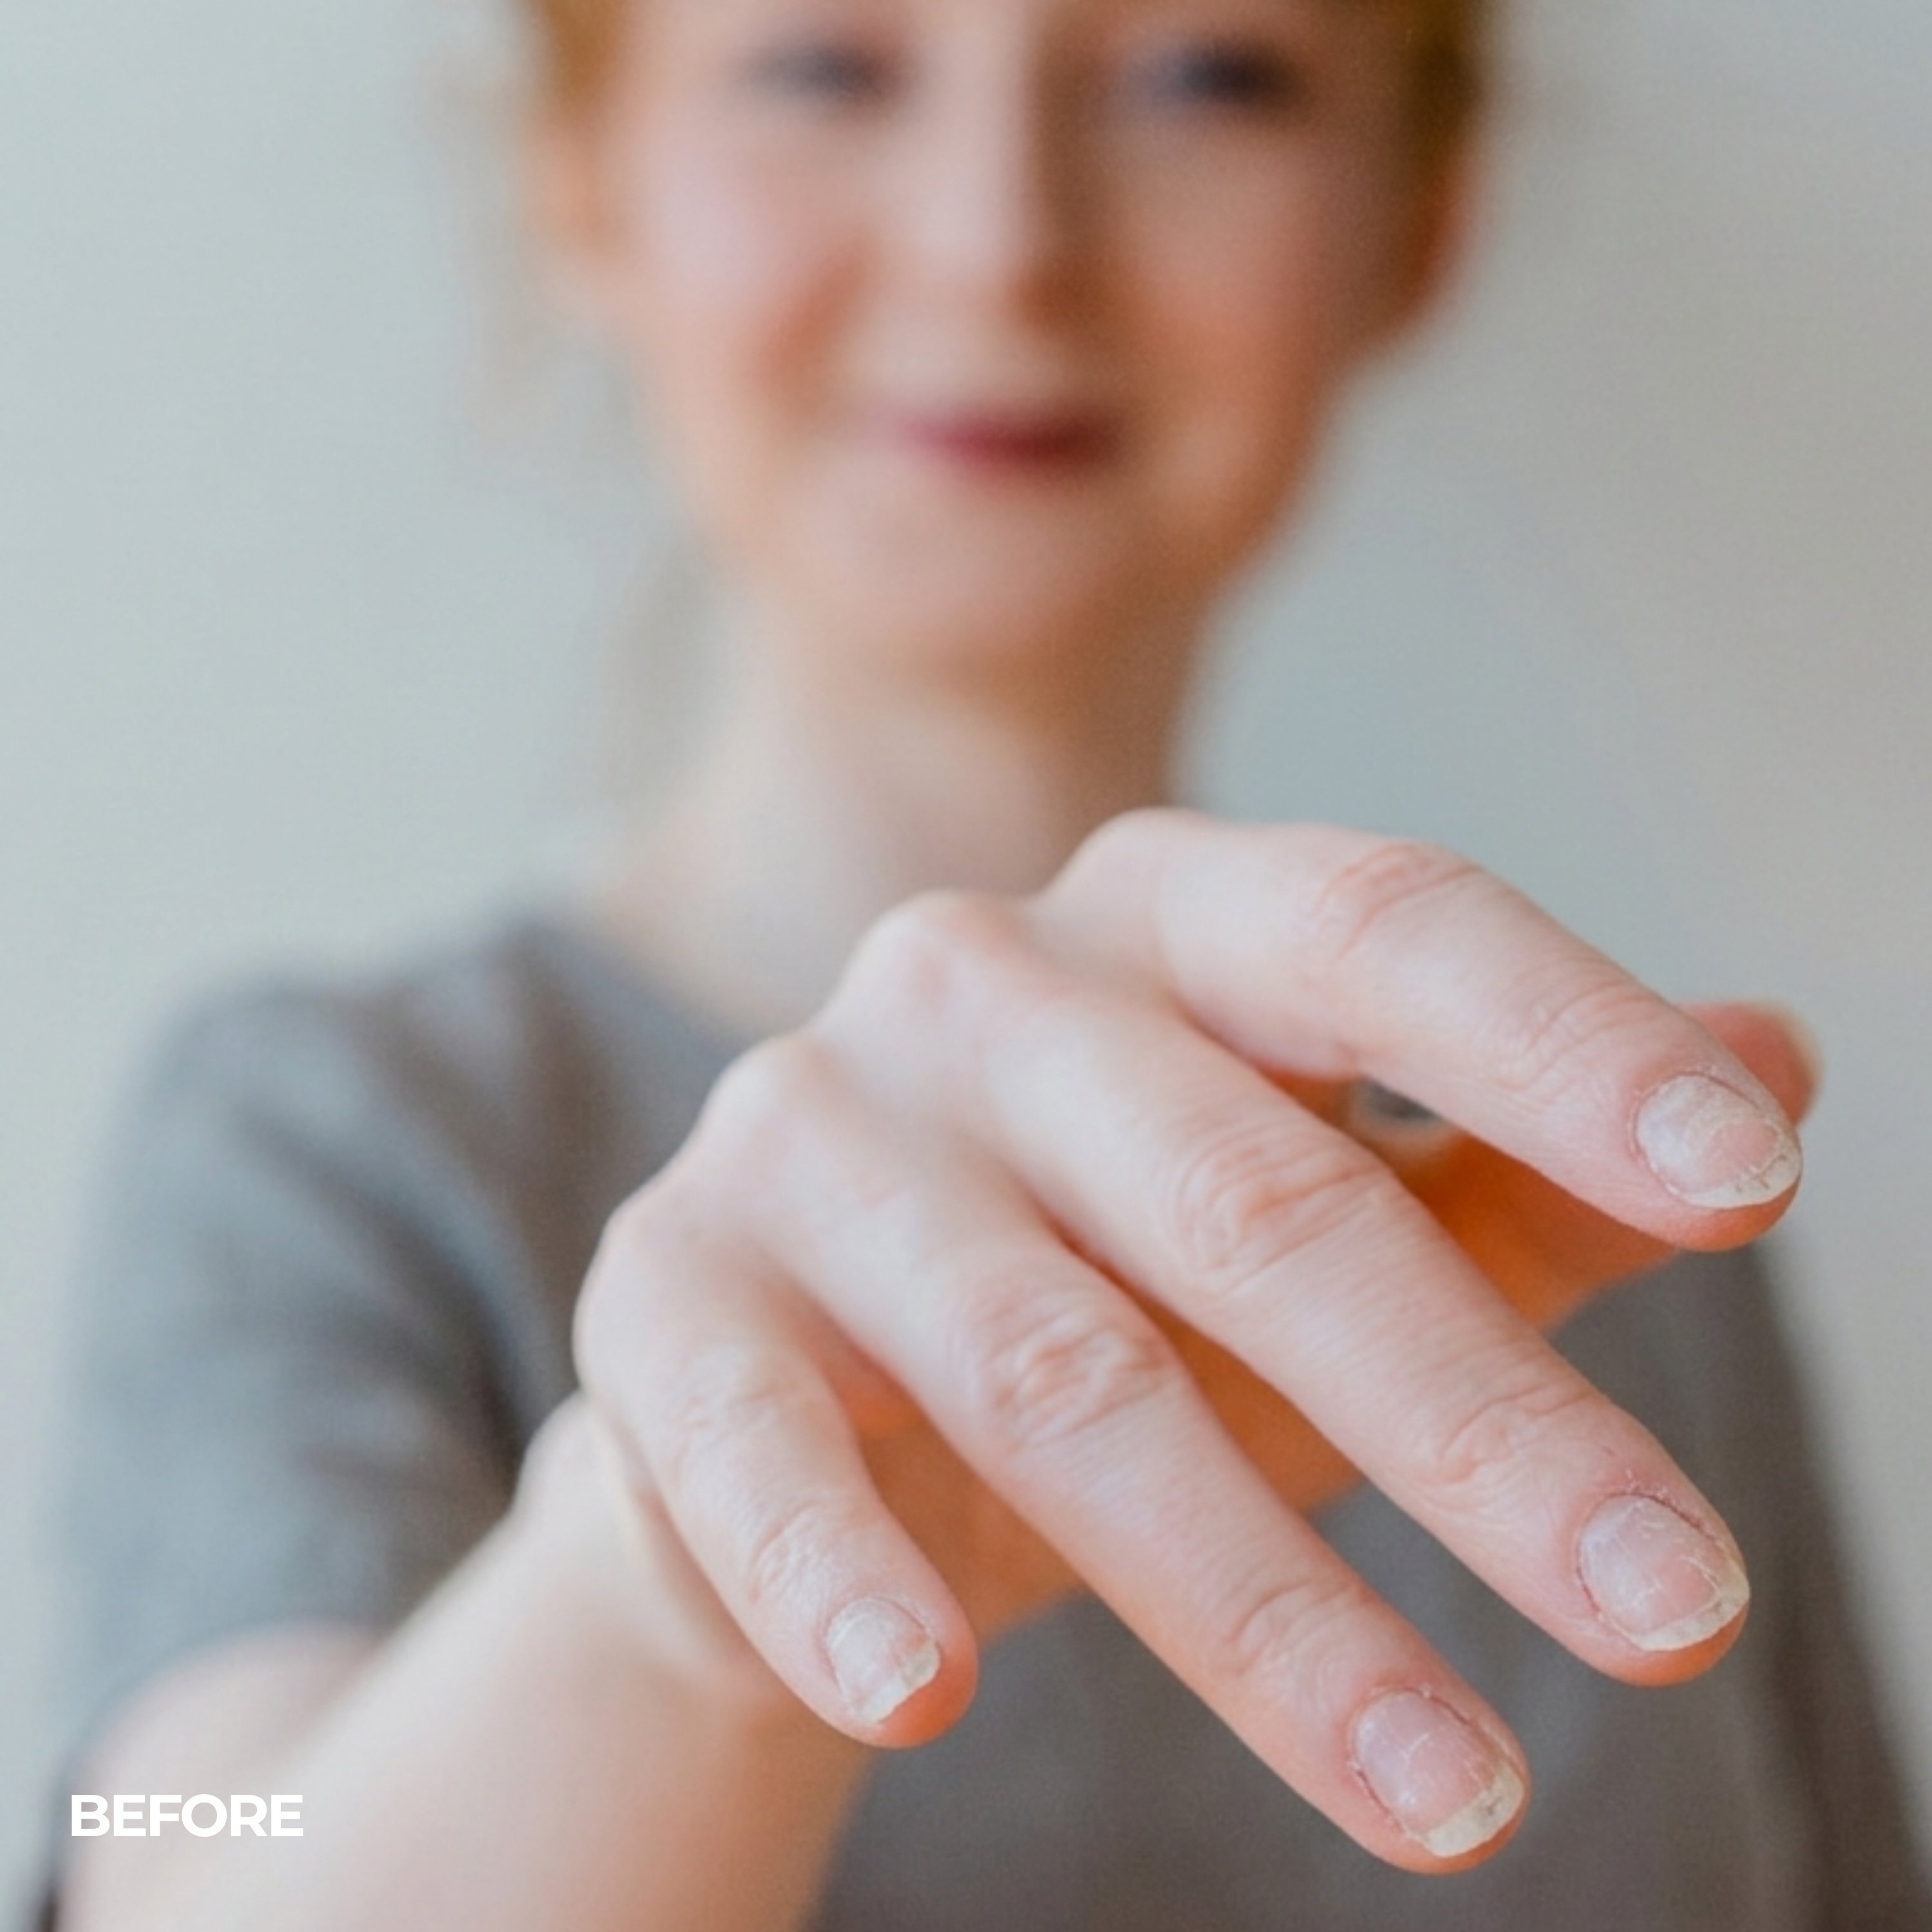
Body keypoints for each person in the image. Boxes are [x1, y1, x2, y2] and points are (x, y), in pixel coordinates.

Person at [37, 0, 1931, 1926]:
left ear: (1422, 219)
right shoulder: (336, 1143)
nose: (999, 236)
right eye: (823, 67)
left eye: (1212, 74)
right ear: (583, 181)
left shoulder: (1597, 1186)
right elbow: (196, 1854)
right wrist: (664, 1600)